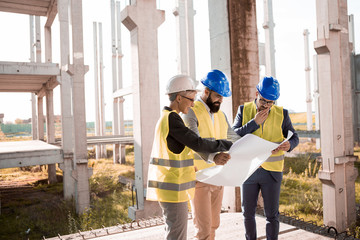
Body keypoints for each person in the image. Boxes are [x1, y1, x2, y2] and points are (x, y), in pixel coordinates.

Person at [146, 74, 233, 240]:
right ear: (179, 97)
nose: (193, 103)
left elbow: (180, 152)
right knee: (177, 236)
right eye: (191, 99)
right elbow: (197, 143)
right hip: (172, 188)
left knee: (175, 233)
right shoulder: (172, 119)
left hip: (173, 187)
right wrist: (228, 145)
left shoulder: (170, 118)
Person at [232, 76, 299, 240]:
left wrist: (289, 145)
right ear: (256, 94)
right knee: (248, 213)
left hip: (272, 173)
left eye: (271, 102)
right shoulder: (244, 110)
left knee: (272, 215)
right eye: (263, 101)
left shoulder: (282, 114)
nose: (267, 105)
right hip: (248, 171)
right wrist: (254, 123)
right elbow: (232, 138)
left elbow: (294, 137)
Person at [182, 69, 239, 240]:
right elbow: (193, 141)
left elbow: (234, 137)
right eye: (218, 96)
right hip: (199, 178)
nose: (221, 100)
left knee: (214, 225)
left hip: (218, 177)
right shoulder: (191, 111)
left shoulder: (221, 115)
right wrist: (213, 157)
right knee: (203, 230)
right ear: (206, 92)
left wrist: (255, 145)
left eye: (223, 97)